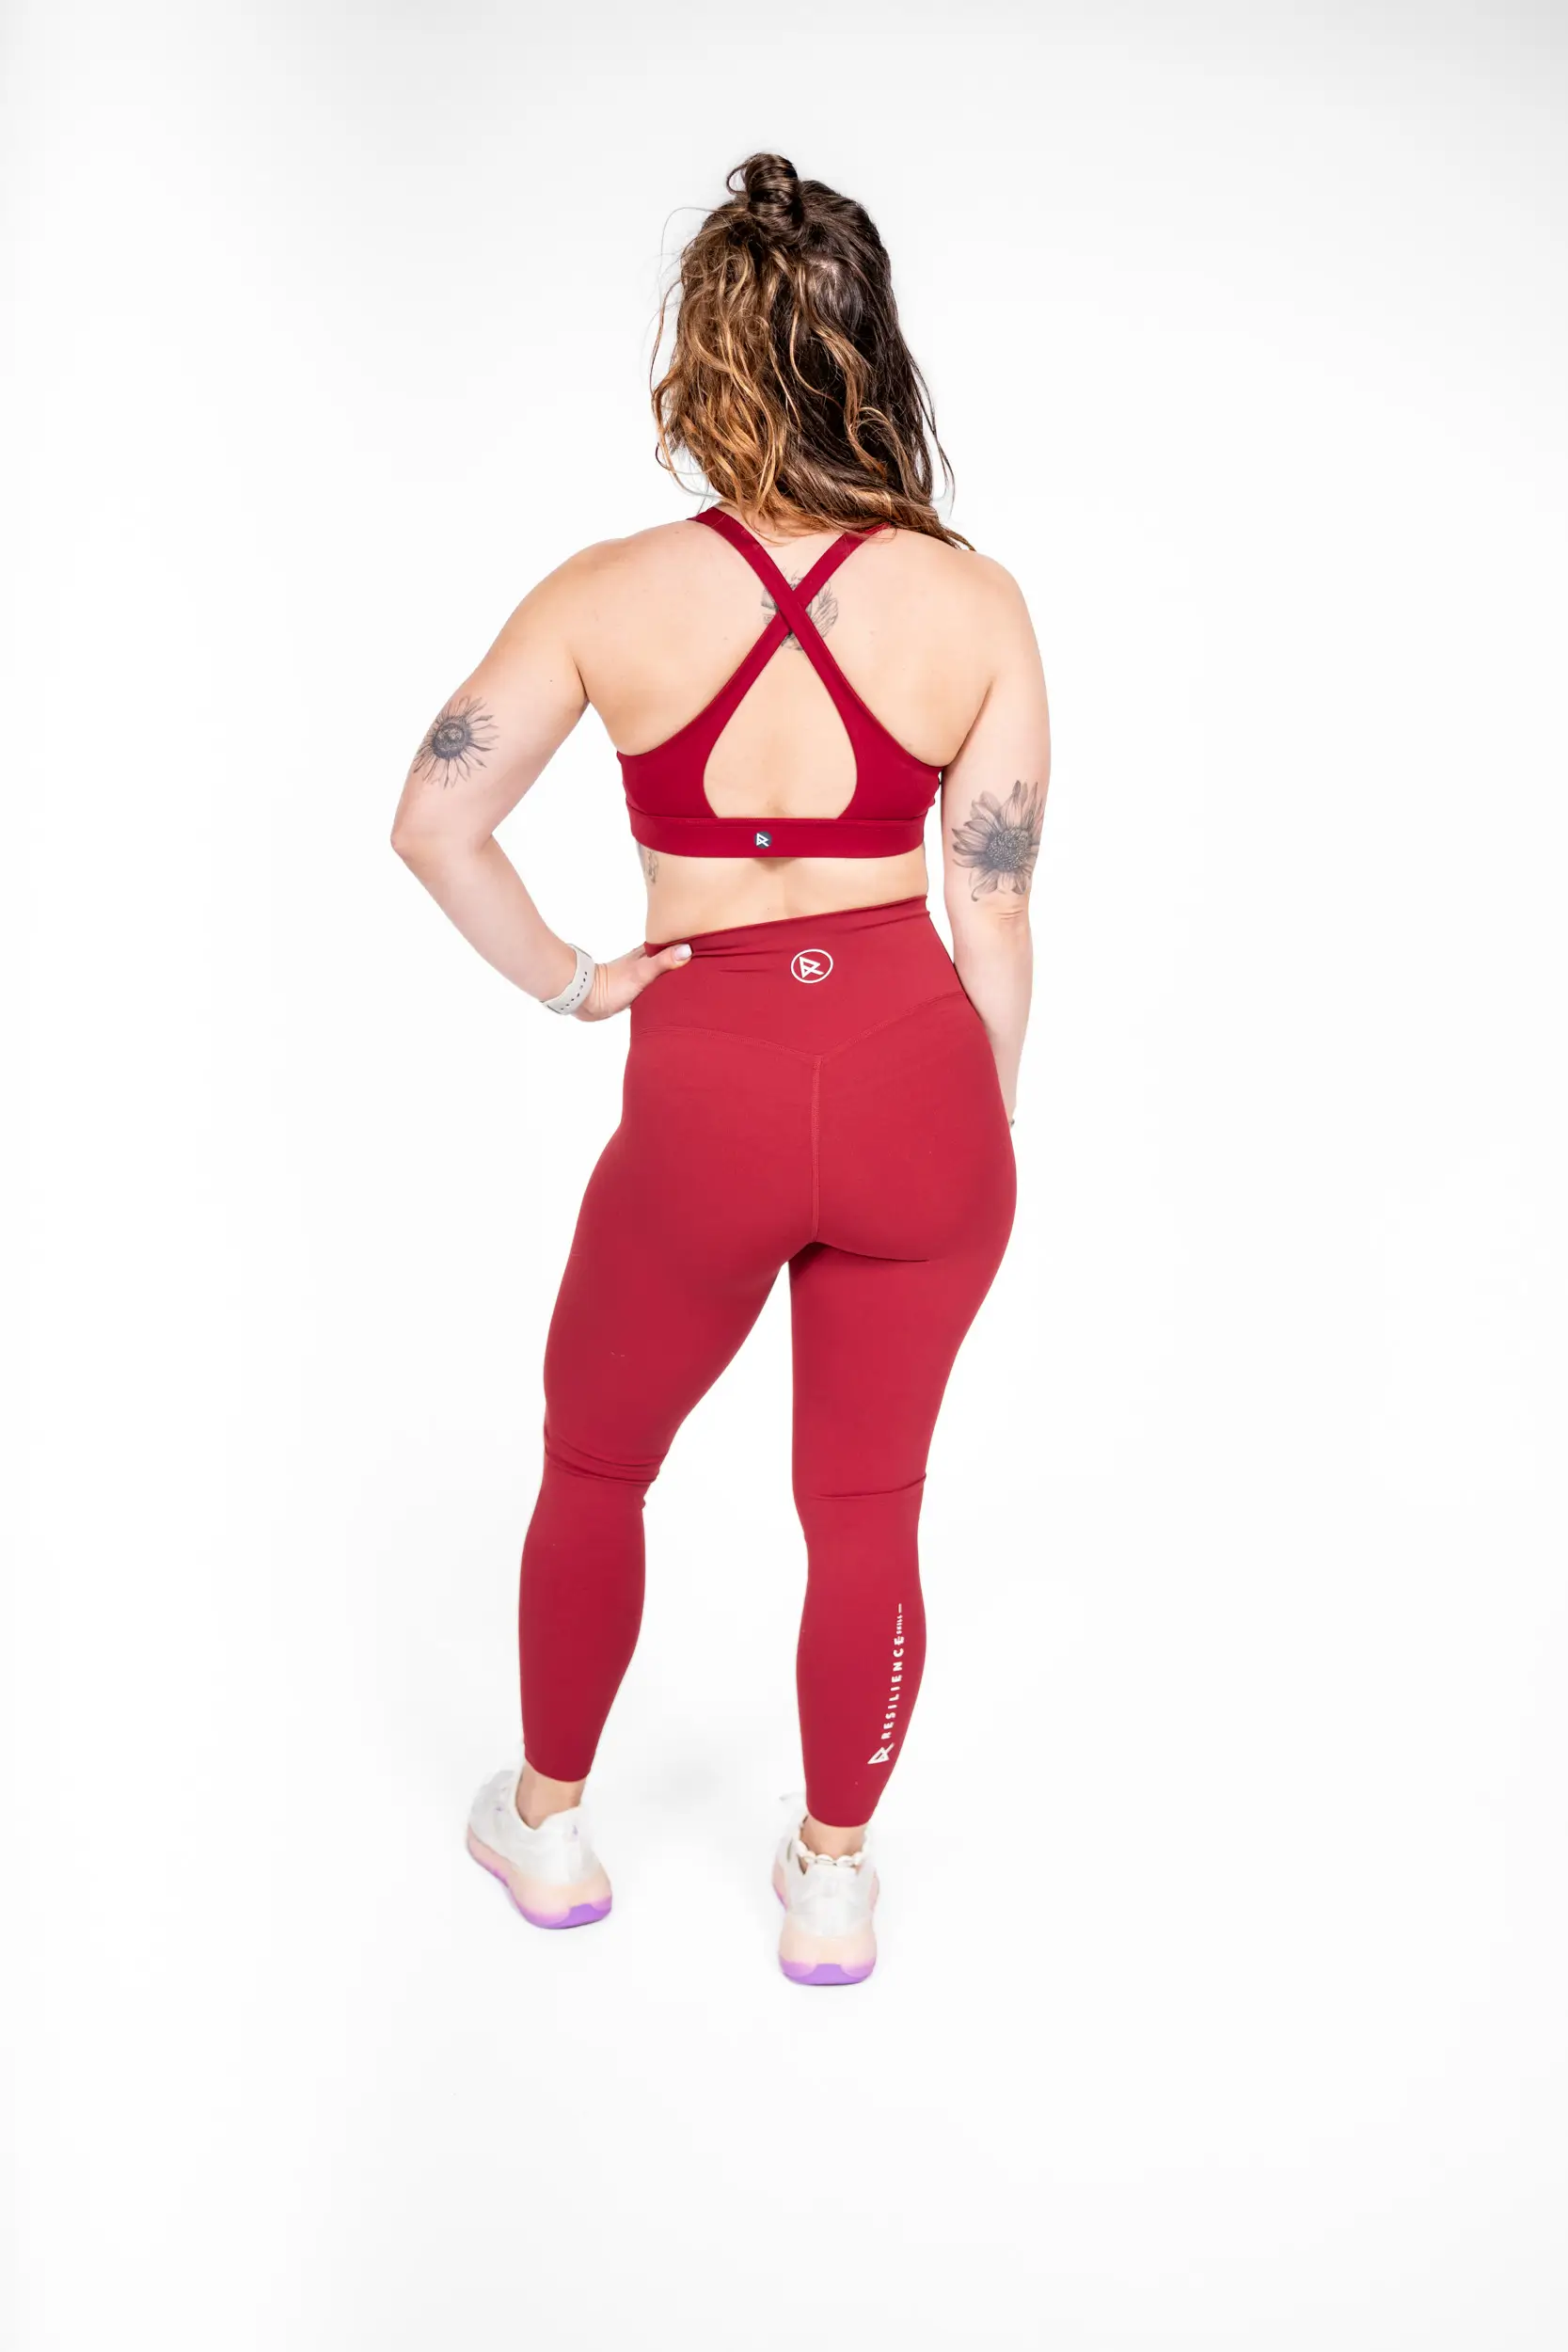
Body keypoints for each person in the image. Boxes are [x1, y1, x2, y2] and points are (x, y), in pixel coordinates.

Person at [391, 152, 1051, 1986]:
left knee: (596, 1459)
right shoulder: (974, 603)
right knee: (865, 1510)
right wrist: (978, 1124)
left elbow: (433, 820)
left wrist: (575, 979)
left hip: (707, 1086)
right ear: (871, 348)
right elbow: (994, 910)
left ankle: (544, 1825)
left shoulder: (607, 593)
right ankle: (829, 1881)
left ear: (703, 356)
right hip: (915, 1079)